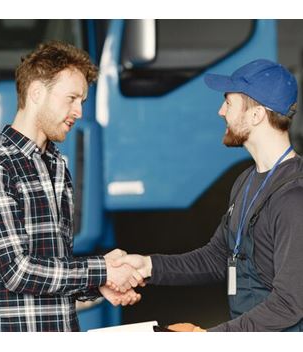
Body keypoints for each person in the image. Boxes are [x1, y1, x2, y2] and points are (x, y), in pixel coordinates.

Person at [0, 41, 143, 332]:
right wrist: (102, 270)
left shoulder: (55, 165)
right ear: (36, 93)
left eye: (81, 101)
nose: (78, 112)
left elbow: (54, 268)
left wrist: (98, 286)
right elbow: (17, 272)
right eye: (71, 98)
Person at [111, 59, 303, 332]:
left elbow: (288, 304)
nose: (220, 111)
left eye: (229, 103)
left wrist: (210, 339)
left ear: (257, 114)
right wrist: (148, 265)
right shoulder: (246, 181)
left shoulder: (294, 198)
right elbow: (216, 258)